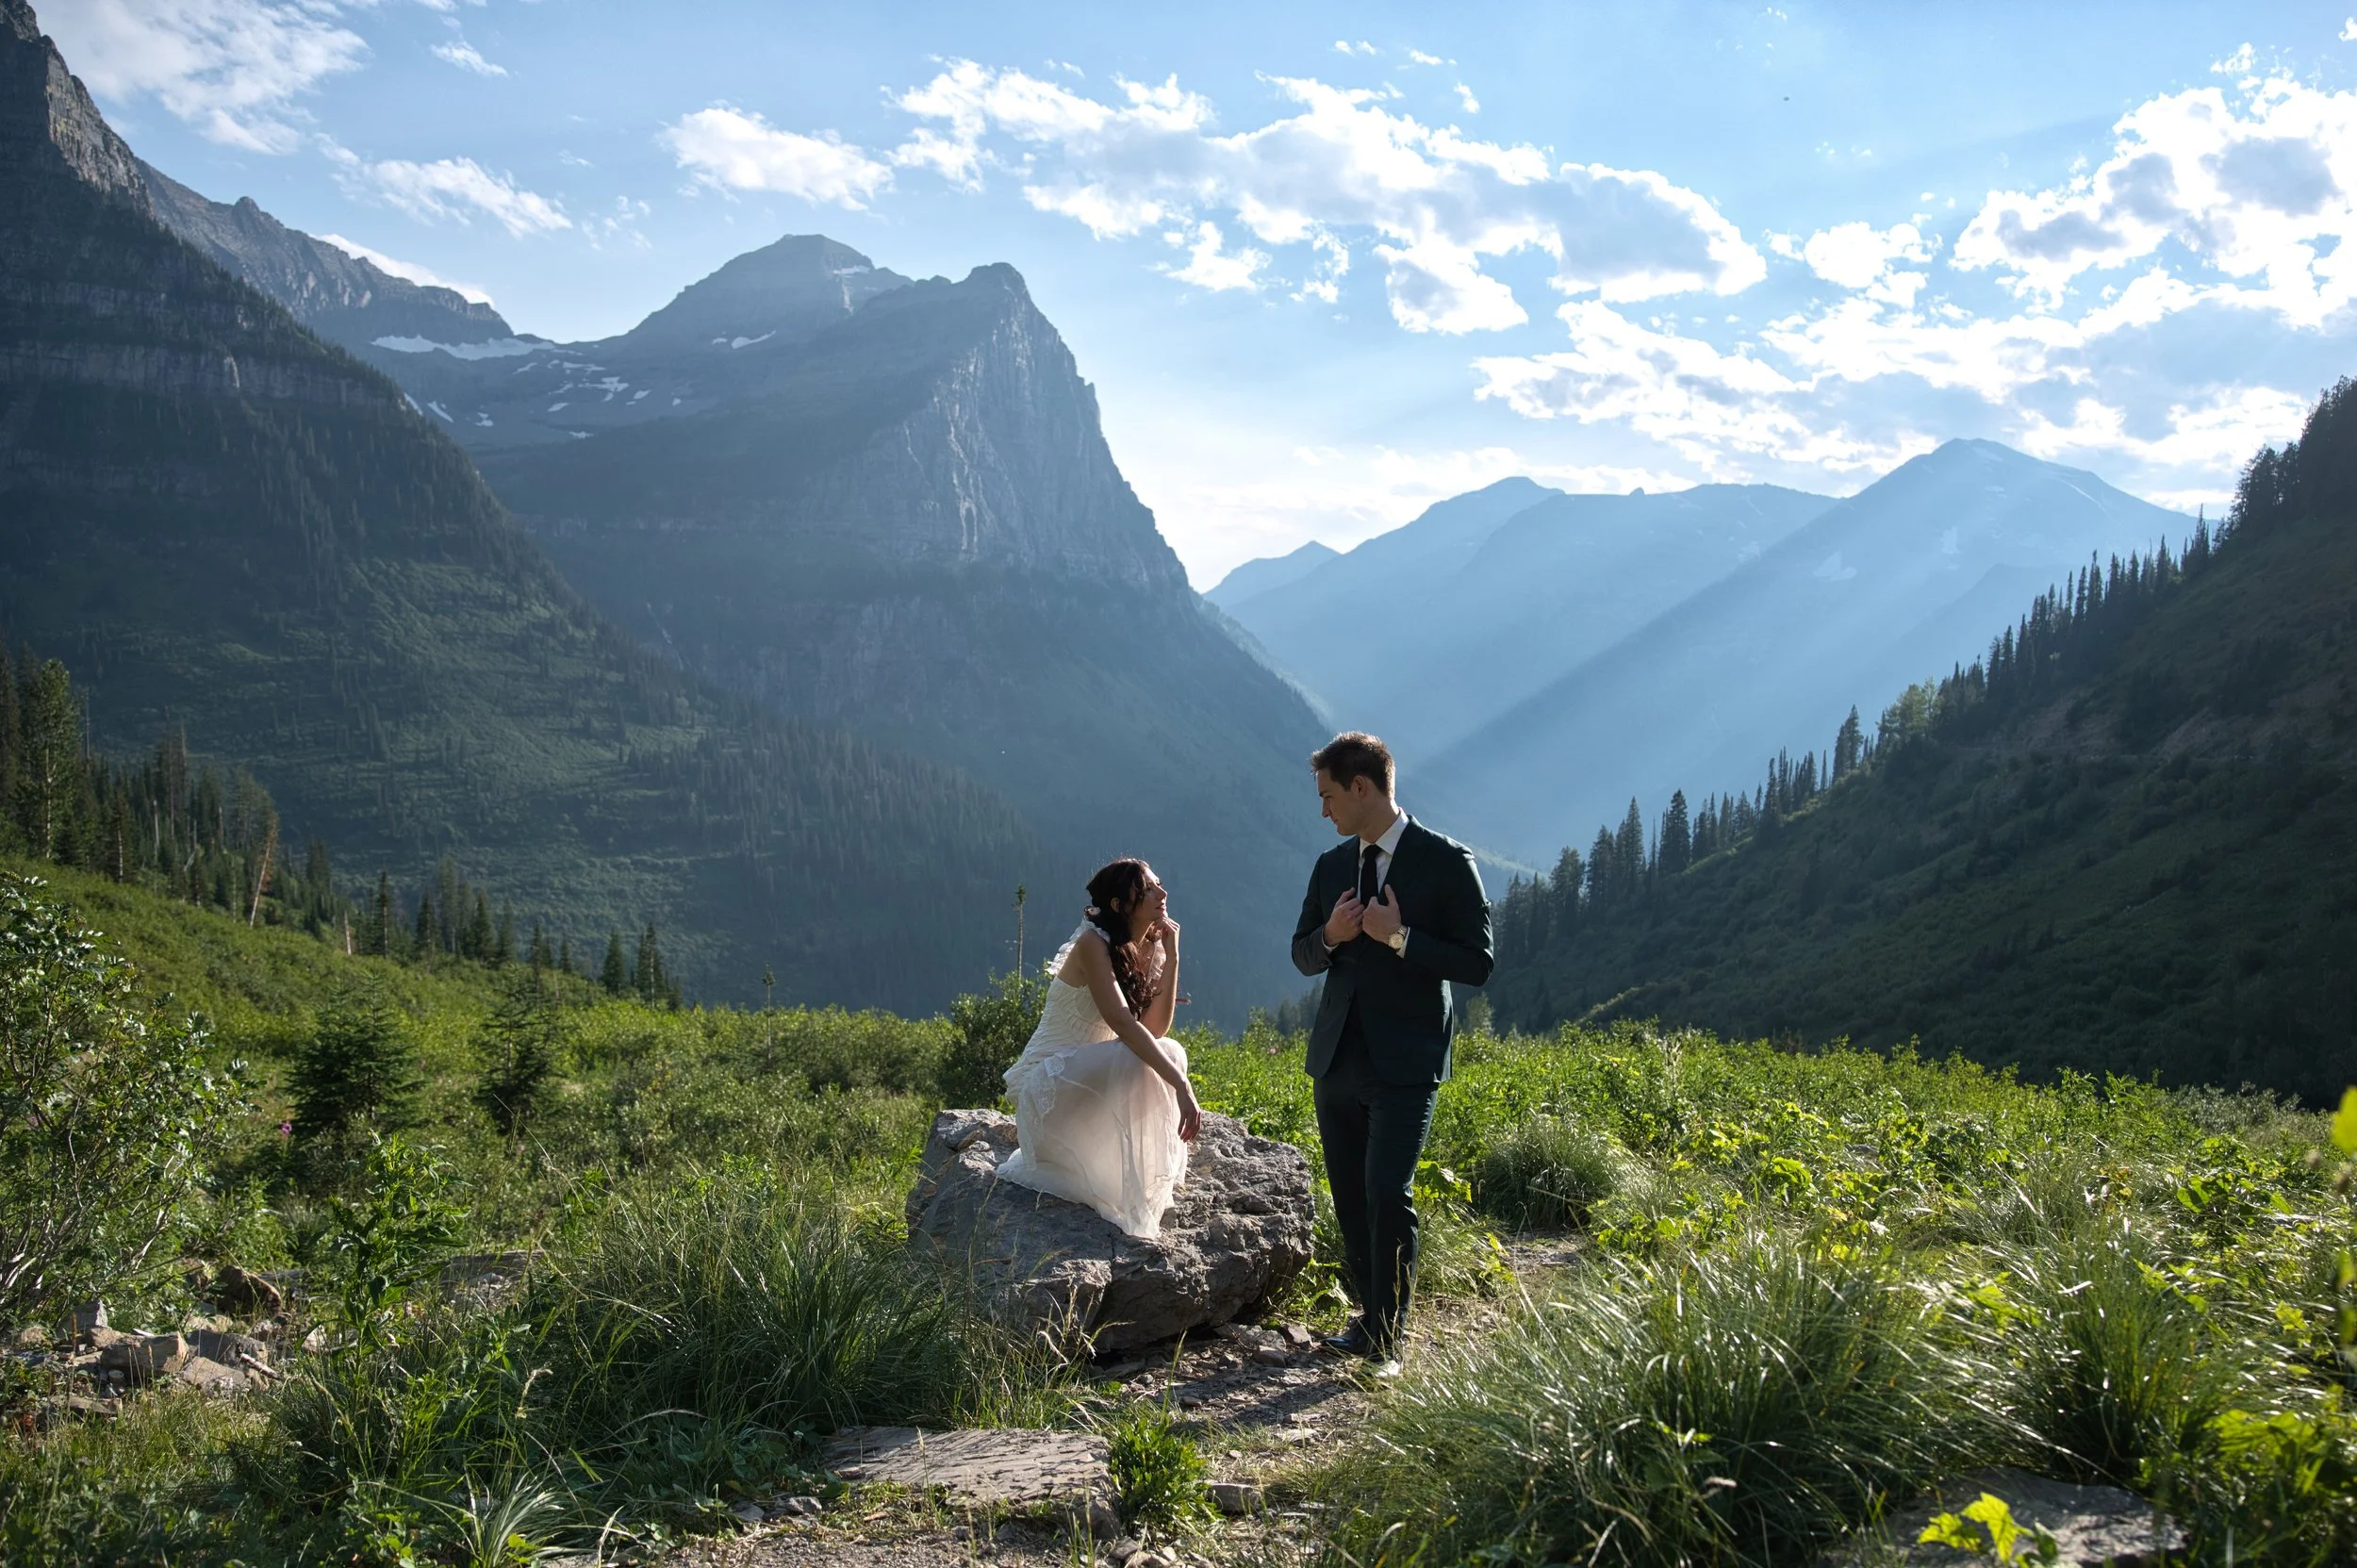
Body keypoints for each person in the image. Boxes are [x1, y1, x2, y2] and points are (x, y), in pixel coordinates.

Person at [1290, 732, 1492, 1371]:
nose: (1324, 811)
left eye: (1329, 797)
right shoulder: (1329, 867)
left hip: (1407, 1057)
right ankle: (1371, 1318)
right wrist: (1331, 932)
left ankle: (1389, 1341)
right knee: (1350, 1197)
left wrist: (1399, 937)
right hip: (1337, 1058)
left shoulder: (1445, 861)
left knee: (1386, 1192)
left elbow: (1478, 962)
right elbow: (1301, 952)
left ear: (1362, 787)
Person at [997, 858, 1204, 1238]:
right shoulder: (1092, 944)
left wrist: (1172, 956)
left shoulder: (1148, 945)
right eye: (1149, 889)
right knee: (1153, 1058)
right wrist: (1181, 1085)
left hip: (1088, 1085)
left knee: (1169, 1050)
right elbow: (1124, 1025)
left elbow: (1153, 1029)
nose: (1163, 893)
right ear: (1119, 905)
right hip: (1051, 1089)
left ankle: (1137, 1184)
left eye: (1160, 884)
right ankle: (1132, 1198)